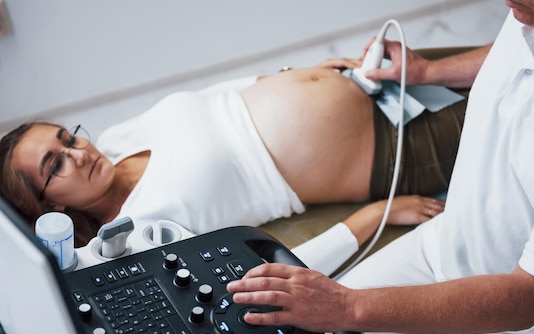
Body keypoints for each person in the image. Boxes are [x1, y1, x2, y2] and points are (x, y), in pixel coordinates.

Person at [227, 1, 534, 334]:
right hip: (448, 249)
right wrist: (430, 72)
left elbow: (528, 298)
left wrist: (345, 306)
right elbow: (514, 47)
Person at [0, 60, 465, 272]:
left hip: (374, 83)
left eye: (68, 137)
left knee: (524, 43)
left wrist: (294, 76)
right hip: (396, 147)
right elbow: (268, 273)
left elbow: (211, 100)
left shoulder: (117, 139)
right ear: (50, 210)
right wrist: (375, 216)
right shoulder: (142, 231)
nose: (78, 153)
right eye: (55, 165)